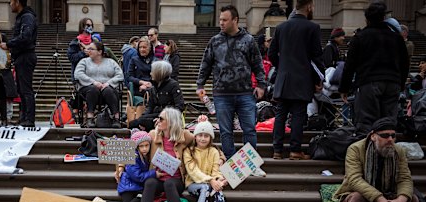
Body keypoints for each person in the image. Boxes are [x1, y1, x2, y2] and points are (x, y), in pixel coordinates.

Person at [197, 5, 267, 176]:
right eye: (220, 19)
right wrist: (200, 85)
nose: (221, 23)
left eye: (225, 20)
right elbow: (205, 64)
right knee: (225, 131)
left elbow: (257, 64)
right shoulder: (214, 41)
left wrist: (261, 84)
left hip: (245, 93)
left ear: (235, 20)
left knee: (249, 129)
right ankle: (231, 165)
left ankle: (251, 165)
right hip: (221, 94)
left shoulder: (249, 40)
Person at [338, 1, 408, 134]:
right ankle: (387, 151)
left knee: (367, 122)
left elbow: (350, 65)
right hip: (392, 82)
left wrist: (344, 88)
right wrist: (402, 83)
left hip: (368, 82)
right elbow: (405, 63)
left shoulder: (360, 37)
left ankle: (369, 151)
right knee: (388, 121)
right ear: (383, 18)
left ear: (366, 19)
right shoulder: (396, 37)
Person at [268, 0, 324, 160]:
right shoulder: (312, 28)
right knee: (299, 114)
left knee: (281, 114)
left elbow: (271, 54)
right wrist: (319, 78)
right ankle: (294, 150)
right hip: (302, 78)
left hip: (283, 78)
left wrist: (283, 67)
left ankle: (277, 150)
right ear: (308, 6)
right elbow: (316, 56)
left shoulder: (281, 27)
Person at [0, 0, 38, 127]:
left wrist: (9, 44)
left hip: (26, 56)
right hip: (21, 56)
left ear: (17, 2)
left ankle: (29, 119)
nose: (9, 4)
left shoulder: (27, 17)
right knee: (21, 89)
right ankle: (24, 117)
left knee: (26, 89)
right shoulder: (23, 16)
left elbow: (26, 36)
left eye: (11, 1)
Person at [183, 120, 228, 202]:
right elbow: (193, 171)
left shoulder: (214, 151)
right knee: (205, 187)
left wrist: (219, 180)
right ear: (195, 136)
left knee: (218, 191)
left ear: (210, 138)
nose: (203, 138)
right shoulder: (189, 151)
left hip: (209, 184)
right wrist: (211, 180)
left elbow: (215, 170)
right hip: (193, 184)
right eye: (200, 135)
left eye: (206, 136)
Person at [74, 42, 124, 128]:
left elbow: (120, 75)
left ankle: (116, 119)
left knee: (108, 90)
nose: (88, 51)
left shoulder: (111, 62)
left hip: (107, 87)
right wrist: (93, 82)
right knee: (93, 89)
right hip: (88, 88)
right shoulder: (84, 61)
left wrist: (109, 83)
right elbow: (78, 74)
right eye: (88, 49)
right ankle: (90, 118)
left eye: (91, 49)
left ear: (100, 52)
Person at [128, 61, 184, 132]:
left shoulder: (173, 85)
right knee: (134, 123)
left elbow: (179, 106)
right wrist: (142, 118)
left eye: (152, 71)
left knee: (141, 122)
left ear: (159, 73)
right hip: (156, 114)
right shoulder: (153, 87)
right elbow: (150, 107)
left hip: (169, 117)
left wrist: (162, 119)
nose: (150, 73)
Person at [116, 129, 161, 202]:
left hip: (137, 186)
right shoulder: (133, 157)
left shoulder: (146, 156)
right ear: (136, 147)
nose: (144, 149)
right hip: (128, 186)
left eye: (146, 145)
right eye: (141, 146)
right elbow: (137, 176)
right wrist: (154, 173)